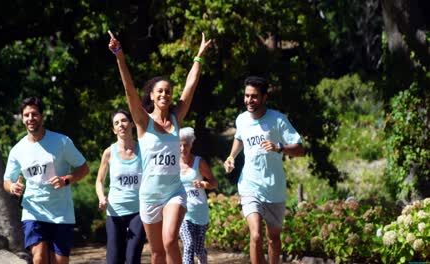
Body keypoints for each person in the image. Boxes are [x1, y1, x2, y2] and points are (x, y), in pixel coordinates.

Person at [107, 30, 211, 264]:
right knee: (157, 253)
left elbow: (190, 85)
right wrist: (119, 56)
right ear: (152, 96)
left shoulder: (176, 118)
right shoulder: (144, 122)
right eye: (160, 91)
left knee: (170, 241)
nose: (165, 94)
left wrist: (199, 56)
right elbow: (129, 90)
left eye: (168, 91)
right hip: (149, 195)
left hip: (174, 191)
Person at [224, 76, 305, 264]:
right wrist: (231, 157)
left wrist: (280, 147)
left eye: (254, 96)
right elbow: (240, 138)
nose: (249, 101)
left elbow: (300, 150)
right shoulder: (242, 119)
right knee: (255, 236)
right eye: (246, 96)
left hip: (274, 188)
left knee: (273, 239)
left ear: (264, 98)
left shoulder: (278, 119)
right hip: (250, 185)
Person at [3, 97, 90, 264]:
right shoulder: (17, 150)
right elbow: (7, 181)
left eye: (34, 114)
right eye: (26, 115)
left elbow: (83, 168)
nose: (30, 118)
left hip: (61, 213)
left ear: (42, 117)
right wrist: (13, 187)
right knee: (39, 258)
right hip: (33, 210)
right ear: (22, 118)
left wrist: (66, 180)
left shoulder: (62, 142)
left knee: (60, 261)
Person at [95, 109, 146, 264]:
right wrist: (101, 197)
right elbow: (99, 181)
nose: (121, 125)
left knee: (132, 258)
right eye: (116, 123)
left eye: (124, 120)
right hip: (115, 211)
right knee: (114, 260)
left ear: (131, 123)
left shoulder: (143, 150)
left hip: (138, 211)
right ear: (113, 129)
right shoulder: (109, 153)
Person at [178, 127, 218, 264]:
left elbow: (214, 183)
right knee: (188, 245)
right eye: (180, 145)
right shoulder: (172, 164)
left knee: (198, 249)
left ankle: (203, 259)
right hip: (182, 211)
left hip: (199, 211)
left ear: (191, 144)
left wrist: (203, 184)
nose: (183, 148)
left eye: (186, 145)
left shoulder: (199, 162)